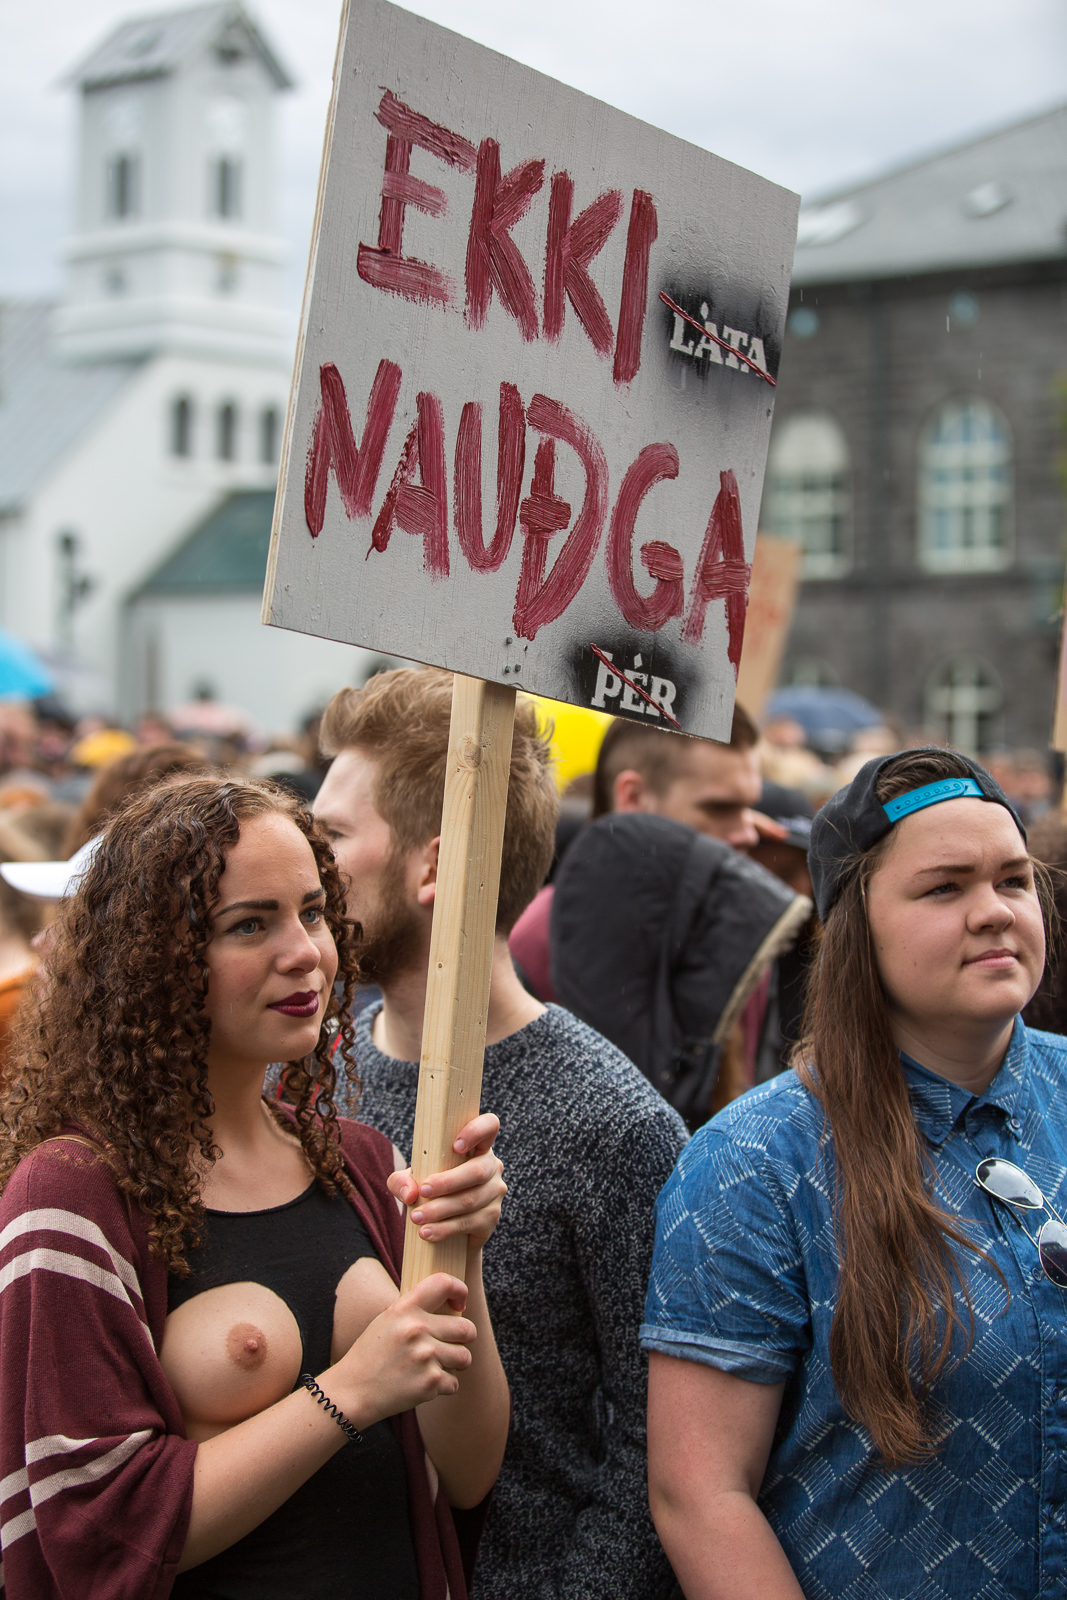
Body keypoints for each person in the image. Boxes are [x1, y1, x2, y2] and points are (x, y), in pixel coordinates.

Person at [0, 775, 508, 1599]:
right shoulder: (72, 1197)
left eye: (312, 910)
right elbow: (97, 1532)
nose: (304, 951)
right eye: (249, 925)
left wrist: (461, 1253)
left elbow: (468, 1468)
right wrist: (349, 1391)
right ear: (155, 961)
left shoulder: (363, 1164)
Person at [643, 746, 1065, 1600]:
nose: (991, 912)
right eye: (943, 887)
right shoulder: (754, 1161)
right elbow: (699, 1493)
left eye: (1012, 881)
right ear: (851, 925)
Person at [311, 668, 688, 1600]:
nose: (307, 870)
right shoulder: (312, 1074)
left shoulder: (617, 1125)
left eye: (331, 840)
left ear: (435, 866)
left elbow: (660, 1449)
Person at [551, 813, 809, 1127]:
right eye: (722, 807)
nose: (748, 834)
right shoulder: (545, 935)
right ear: (633, 799)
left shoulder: (748, 956)